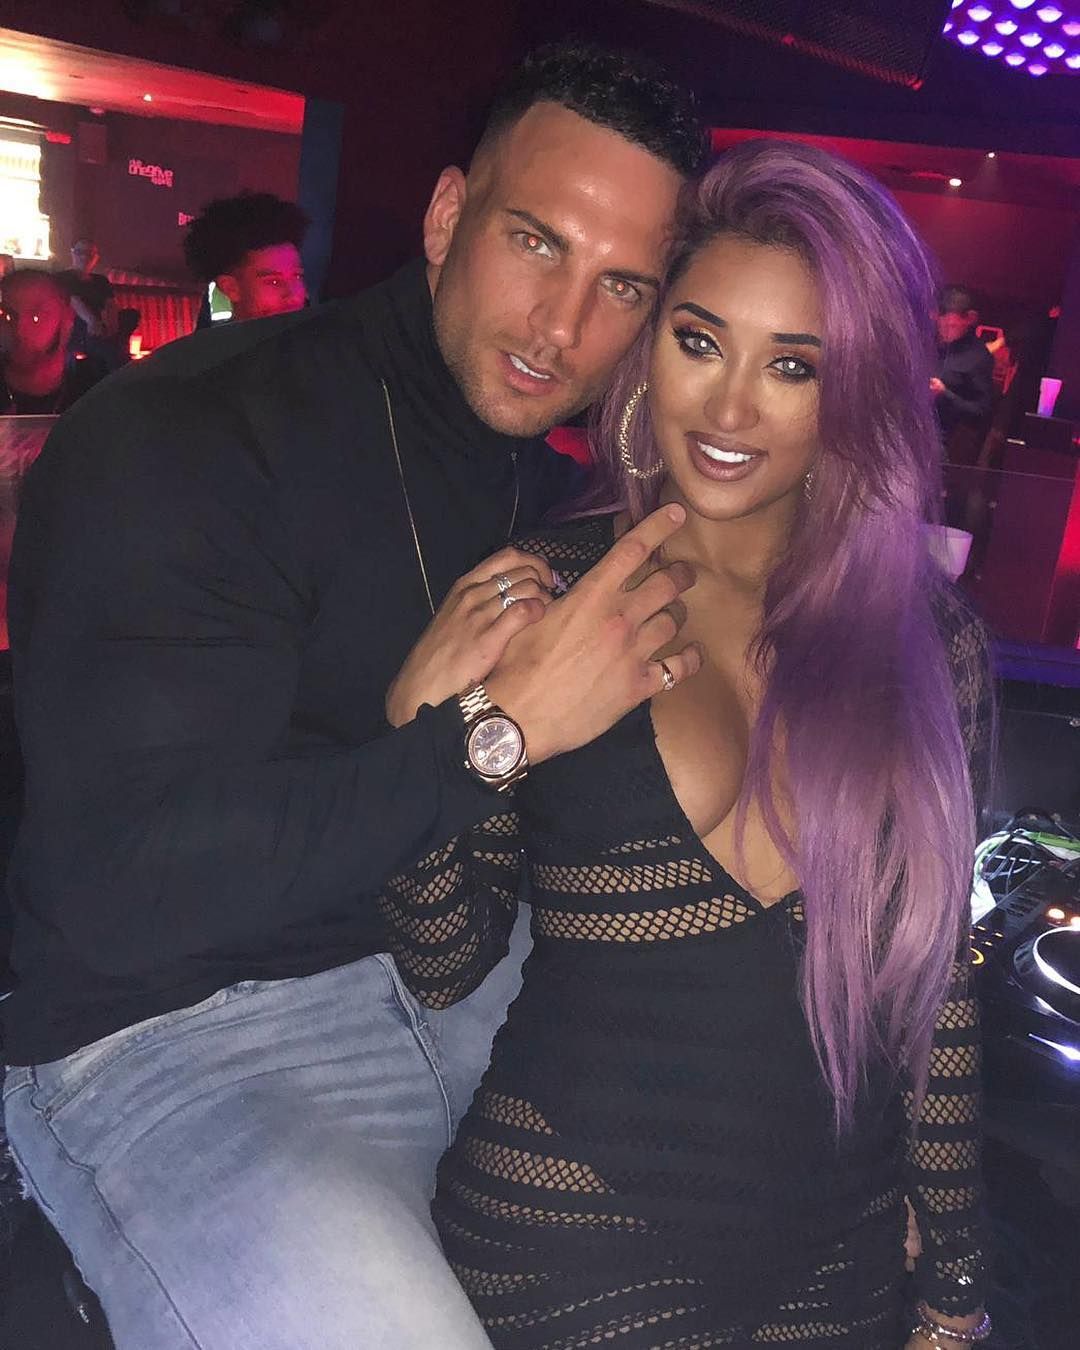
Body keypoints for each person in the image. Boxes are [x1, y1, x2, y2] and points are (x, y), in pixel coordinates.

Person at [1, 44, 707, 1350]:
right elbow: (119, 890)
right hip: (176, 1034)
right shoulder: (193, 435)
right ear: (447, 216)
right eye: (536, 243)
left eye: (622, 285)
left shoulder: (558, 490)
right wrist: (490, 735)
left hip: (476, 985)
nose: (563, 326)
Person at [379, 141, 993, 1350]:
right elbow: (443, 958)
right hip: (568, 1246)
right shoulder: (550, 597)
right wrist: (430, 727)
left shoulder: (930, 648)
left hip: (840, 1265)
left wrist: (957, 1285)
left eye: (793, 367)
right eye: (700, 341)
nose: (727, 408)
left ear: (857, 392)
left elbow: (932, 995)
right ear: (650, 345)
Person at [184, 191, 310, 323]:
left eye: (297, 276)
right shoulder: (214, 338)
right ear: (230, 288)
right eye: (274, 282)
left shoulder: (318, 334)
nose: (293, 295)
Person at [1, 269, 107, 415]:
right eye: (8, 316)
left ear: (67, 321)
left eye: (37, 316)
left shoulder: (95, 391)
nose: (20, 330)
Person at [932, 283, 995, 464]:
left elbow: (982, 411)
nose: (945, 331)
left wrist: (944, 394)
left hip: (946, 440)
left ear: (970, 319)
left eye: (952, 326)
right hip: (913, 426)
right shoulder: (928, 343)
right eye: (942, 325)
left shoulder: (978, 357)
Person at [59, 238, 123, 371]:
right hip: (72, 330)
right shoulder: (63, 278)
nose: (84, 257)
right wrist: (91, 321)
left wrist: (112, 327)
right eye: (79, 252)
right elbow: (73, 300)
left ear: (96, 258)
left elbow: (111, 305)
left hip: (99, 331)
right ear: (72, 254)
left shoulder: (101, 281)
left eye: (89, 253)